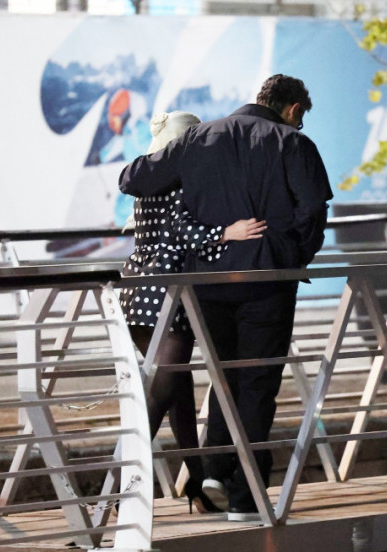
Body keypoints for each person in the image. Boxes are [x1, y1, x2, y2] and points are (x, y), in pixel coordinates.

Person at [119, 74, 333, 521]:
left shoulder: (199, 138)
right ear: (293, 110)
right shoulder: (294, 145)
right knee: (257, 384)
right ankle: (246, 495)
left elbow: (133, 179)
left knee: (225, 378)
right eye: (300, 118)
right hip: (268, 281)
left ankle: (216, 470)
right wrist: (290, 254)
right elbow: (313, 212)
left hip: (208, 286)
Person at [120, 110, 267, 515]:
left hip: (138, 292)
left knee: (177, 396)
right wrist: (228, 233)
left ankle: (197, 485)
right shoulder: (181, 182)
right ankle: (122, 488)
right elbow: (187, 232)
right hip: (170, 295)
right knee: (163, 392)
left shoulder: (147, 180)